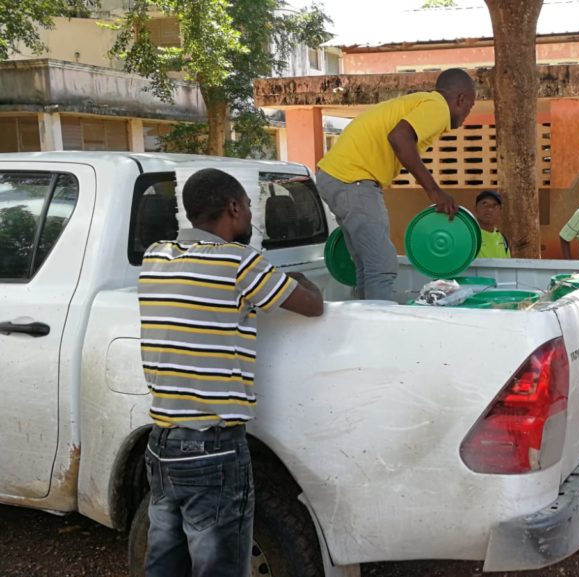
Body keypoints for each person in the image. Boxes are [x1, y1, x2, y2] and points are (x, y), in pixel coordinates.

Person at [138, 168, 324, 577]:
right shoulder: (238, 263)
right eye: (249, 210)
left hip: (161, 443)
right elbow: (313, 305)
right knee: (219, 566)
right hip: (214, 449)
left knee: (164, 562)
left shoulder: (156, 257)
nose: (251, 220)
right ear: (234, 208)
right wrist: (297, 279)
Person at [316, 68, 477, 300]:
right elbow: (399, 137)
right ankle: (380, 333)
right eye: (469, 107)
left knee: (367, 266)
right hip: (354, 178)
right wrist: (435, 192)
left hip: (336, 176)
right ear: (461, 98)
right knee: (381, 266)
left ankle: (366, 327)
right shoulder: (438, 106)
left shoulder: (420, 102)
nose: (467, 115)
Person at [473, 189, 511, 258]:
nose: (489, 209)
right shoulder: (470, 236)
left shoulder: (502, 239)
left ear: (500, 210)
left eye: (495, 205)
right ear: (475, 208)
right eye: (484, 204)